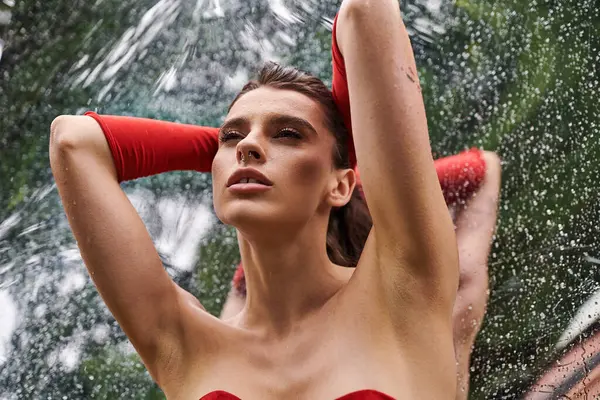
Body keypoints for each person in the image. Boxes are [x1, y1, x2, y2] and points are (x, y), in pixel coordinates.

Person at [49, 1, 497, 398]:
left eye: (288, 134)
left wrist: (343, 146)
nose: (246, 146)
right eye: (232, 136)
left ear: (341, 185)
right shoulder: (182, 344)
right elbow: (73, 141)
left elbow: (367, 13)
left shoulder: (404, 288)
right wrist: (227, 152)